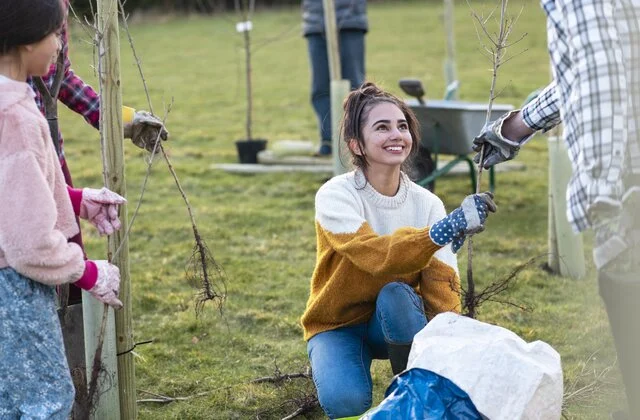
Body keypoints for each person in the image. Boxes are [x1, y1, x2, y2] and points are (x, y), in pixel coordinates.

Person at [472, 0, 640, 416]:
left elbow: (599, 77)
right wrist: (518, 126)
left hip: (627, 181)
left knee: (624, 295)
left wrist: (609, 192)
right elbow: (586, 71)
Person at [301, 82, 497, 418]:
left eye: (402, 126)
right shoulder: (337, 195)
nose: (396, 135)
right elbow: (375, 255)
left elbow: (441, 285)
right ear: (356, 145)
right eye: (382, 127)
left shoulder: (427, 204)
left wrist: (445, 363)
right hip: (337, 323)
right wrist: (439, 233)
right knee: (345, 402)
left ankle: (413, 399)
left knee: (395, 294)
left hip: (393, 318)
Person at [0, 0, 125, 417]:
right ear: (26, 40)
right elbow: (30, 246)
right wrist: (89, 272)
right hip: (13, 291)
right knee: (45, 402)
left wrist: (76, 199)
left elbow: (12, 193)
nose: (60, 43)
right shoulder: (16, 117)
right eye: (55, 33)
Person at [31, 0, 168, 304]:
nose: (57, 42)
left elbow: (59, 75)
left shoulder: (56, 4)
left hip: (49, 160)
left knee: (68, 268)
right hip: (15, 158)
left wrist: (123, 119)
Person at [302, 0, 367, 156]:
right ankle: (328, 140)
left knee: (355, 88)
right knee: (320, 87)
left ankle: (356, 139)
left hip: (349, 19)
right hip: (316, 22)